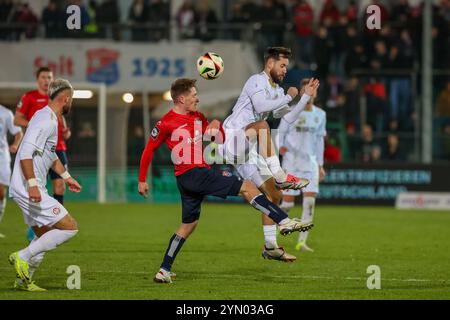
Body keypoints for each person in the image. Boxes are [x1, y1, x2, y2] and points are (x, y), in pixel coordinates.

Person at [138, 78, 313, 283]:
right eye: (193, 95)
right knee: (247, 187)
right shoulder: (165, 122)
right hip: (195, 173)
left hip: (186, 180)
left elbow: (218, 139)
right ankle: (283, 220)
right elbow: (149, 149)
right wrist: (142, 179)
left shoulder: (198, 117)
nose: (197, 98)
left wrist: (216, 126)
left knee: (188, 224)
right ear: (181, 98)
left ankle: (164, 270)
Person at [220, 47, 319, 262]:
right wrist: (289, 96)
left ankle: (271, 246)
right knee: (263, 125)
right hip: (232, 138)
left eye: (286, 66)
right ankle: (281, 175)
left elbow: (289, 118)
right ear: (270, 64)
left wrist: (303, 98)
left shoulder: (276, 91)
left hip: (248, 151)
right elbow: (261, 105)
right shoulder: (256, 81)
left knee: (274, 196)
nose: (284, 70)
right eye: (282, 65)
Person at [8, 79, 81, 292]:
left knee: (42, 235)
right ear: (65, 99)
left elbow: (50, 155)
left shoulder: (49, 117)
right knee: (70, 227)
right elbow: (25, 153)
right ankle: (21, 257)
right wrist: (32, 185)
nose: (71, 104)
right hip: (28, 187)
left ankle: (23, 281)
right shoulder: (45, 120)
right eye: (72, 100)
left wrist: (67, 176)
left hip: (28, 186)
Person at [14, 67, 72, 242]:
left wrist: (66, 132)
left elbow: (61, 124)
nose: (47, 80)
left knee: (59, 186)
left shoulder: (55, 102)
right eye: (44, 77)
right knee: (37, 184)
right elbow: (17, 119)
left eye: (50, 77)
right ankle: (43, 224)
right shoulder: (31, 99)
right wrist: (32, 125)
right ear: (38, 79)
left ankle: (53, 222)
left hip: (56, 148)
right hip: (37, 149)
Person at [278, 78, 327, 252]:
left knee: (309, 203)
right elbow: (280, 133)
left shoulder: (320, 114)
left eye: (314, 88)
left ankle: (302, 242)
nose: (311, 91)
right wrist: (279, 149)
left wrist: (320, 165)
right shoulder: (291, 112)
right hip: (291, 163)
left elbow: (320, 141)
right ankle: (277, 221)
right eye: (308, 88)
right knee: (288, 204)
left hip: (310, 165)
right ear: (303, 91)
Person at [0, 104, 23, 238]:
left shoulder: (5, 113)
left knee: (1, 192)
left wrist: (15, 144)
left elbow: (18, 132)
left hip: (2, 156)